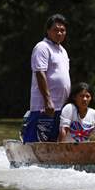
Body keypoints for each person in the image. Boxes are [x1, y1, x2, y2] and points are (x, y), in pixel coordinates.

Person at [22, 14, 71, 142]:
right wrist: (48, 100)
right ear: (48, 31)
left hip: (60, 107)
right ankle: (26, 159)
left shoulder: (63, 51)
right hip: (43, 106)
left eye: (62, 30)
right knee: (35, 140)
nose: (59, 33)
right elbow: (40, 73)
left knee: (52, 140)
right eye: (56, 30)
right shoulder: (42, 47)